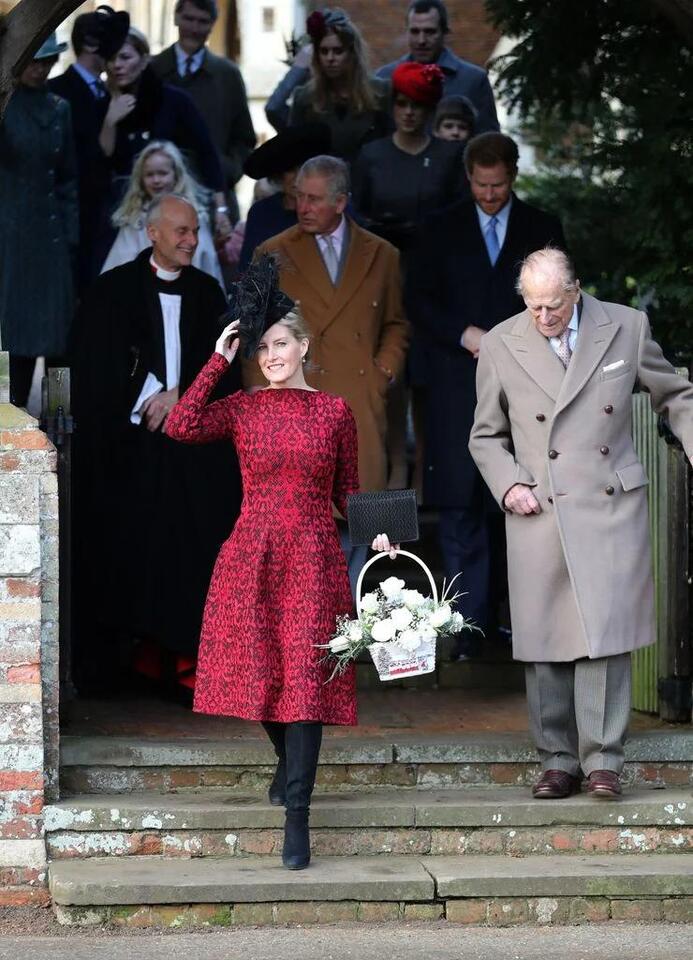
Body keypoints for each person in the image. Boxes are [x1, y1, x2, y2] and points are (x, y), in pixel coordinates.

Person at [469, 247, 693, 800]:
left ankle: (604, 760)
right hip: (539, 503)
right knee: (546, 637)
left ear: (575, 290)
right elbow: (485, 435)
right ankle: (557, 759)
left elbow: (675, 394)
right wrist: (509, 484)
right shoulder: (500, 342)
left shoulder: (625, 325)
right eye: (533, 306)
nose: (543, 318)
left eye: (553, 306)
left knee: (605, 632)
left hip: (608, 499)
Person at [164, 256, 360, 870]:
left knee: (305, 681)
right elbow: (180, 423)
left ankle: (296, 817)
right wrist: (219, 358)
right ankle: (286, 763)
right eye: (261, 347)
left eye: (281, 344)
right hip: (251, 554)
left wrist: (383, 538)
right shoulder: (244, 406)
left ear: (303, 345)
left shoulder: (334, 413)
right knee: (260, 675)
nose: (271, 356)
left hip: (313, 556)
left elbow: (349, 493)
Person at [71, 195, 240, 695]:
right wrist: (151, 396)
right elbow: (95, 364)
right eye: (181, 232)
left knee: (190, 552)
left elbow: (227, 365)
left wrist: (182, 396)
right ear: (153, 233)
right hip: (133, 452)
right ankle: (134, 660)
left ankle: (187, 661)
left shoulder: (210, 292)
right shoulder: (113, 291)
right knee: (131, 552)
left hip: (193, 457)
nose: (190, 241)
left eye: (194, 232)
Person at [410, 132, 566, 657]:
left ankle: (516, 624)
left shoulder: (542, 227)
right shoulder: (440, 227)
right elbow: (419, 300)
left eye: (498, 185)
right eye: (481, 185)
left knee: (521, 500)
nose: (490, 194)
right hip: (459, 381)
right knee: (460, 504)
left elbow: (561, 299)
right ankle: (464, 629)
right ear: (468, 178)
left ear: (513, 176)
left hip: (526, 383)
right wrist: (465, 334)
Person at [250, 155, 409, 589]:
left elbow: (396, 323)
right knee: (306, 532)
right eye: (299, 196)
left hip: (361, 407)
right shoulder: (272, 253)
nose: (303, 206)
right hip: (299, 411)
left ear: (341, 202)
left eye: (315, 199)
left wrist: (383, 372)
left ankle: (355, 636)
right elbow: (252, 334)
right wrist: (265, 408)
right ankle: (315, 643)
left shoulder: (383, 255)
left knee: (366, 528)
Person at [352, 61, 466, 489]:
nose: (409, 111)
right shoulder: (373, 155)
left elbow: (458, 220)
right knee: (388, 380)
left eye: (419, 104)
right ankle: (396, 482)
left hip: (436, 283)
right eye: (401, 103)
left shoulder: (449, 156)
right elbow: (355, 216)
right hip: (384, 278)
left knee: (432, 384)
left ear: (431, 108)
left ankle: (426, 483)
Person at [0, 33, 78, 409]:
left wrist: (71, 239)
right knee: (18, 342)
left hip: (52, 243)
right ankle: (15, 414)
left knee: (60, 343)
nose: (41, 68)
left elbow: (68, 179)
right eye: (34, 60)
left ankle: (59, 421)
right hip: (12, 241)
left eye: (47, 61)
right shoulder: (5, 107)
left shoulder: (60, 107)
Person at [100, 27, 228, 239]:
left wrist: (221, 209)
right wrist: (110, 120)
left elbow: (207, 154)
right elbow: (102, 158)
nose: (117, 65)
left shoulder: (175, 101)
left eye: (125, 57)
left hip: (174, 210)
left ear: (143, 60)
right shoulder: (103, 103)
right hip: (124, 216)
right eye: (112, 59)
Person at [151, 0, 256, 223]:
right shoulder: (153, 70)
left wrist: (226, 170)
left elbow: (244, 138)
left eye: (202, 22)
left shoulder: (227, 75)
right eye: (189, 19)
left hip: (214, 200)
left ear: (212, 25)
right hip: (158, 197)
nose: (194, 28)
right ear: (176, 18)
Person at [49, 5, 130, 290]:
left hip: (105, 217)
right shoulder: (58, 92)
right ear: (90, 44)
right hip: (72, 217)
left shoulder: (111, 93)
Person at [101, 139, 223, 284]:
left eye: (163, 173)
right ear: (141, 179)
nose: (156, 180)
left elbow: (205, 262)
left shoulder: (194, 216)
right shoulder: (135, 220)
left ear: (176, 175)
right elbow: (119, 266)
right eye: (150, 175)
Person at [283, 8, 391, 165]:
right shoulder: (305, 99)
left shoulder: (381, 94)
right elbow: (293, 153)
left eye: (338, 51)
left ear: (352, 53)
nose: (330, 58)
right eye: (324, 51)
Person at [376, 1, 499, 135]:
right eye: (415, 31)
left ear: (444, 32)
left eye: (430, 32)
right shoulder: (385, 78)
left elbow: (489, 140)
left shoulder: (474, 80)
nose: (421, 40)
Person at [239, 122, 332, 272]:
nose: (298, 178)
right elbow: (247, 270)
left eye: (304, 170)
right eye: (290, 170)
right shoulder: (262, 213)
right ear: (279, 175)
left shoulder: (333, 209)